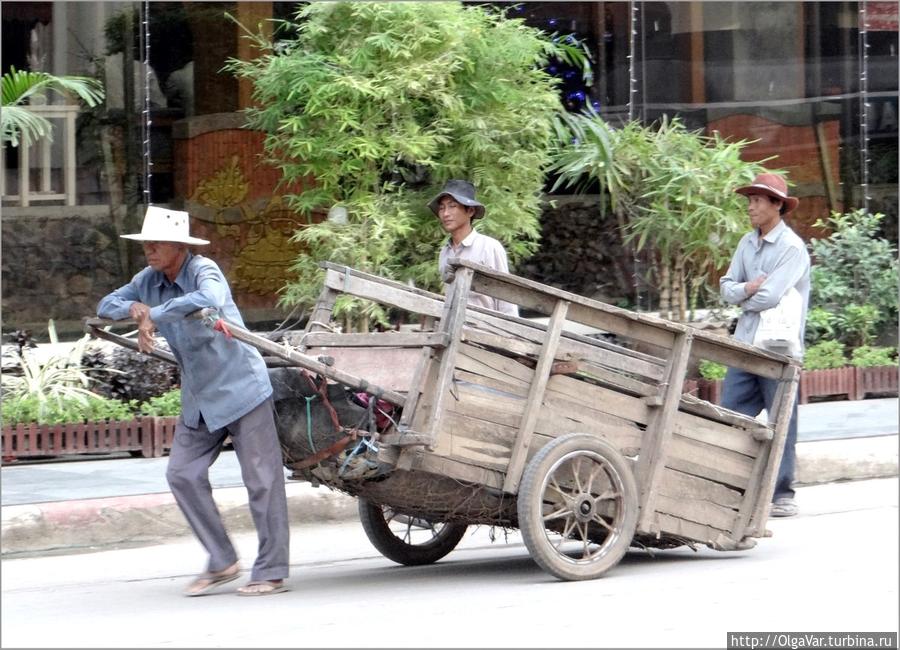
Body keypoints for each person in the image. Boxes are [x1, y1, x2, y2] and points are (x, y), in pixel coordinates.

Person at [97, 206, 290, 596]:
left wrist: (155, 315)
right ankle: (222, 560)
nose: (149, 249)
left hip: (242, 388)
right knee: (181, 474)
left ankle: (271, 570)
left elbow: (211, 298)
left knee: (262, 481)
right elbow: (105, 306)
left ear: (180, 247)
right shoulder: (147, 280)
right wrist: (135, 309)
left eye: (157, 243)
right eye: (146, 243)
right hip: (200, 396)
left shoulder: (204, 269)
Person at [720, 173, 810, 518]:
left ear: (777, 205)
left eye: (758, 200)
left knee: (780, 422)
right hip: (745, 346)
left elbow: (772, 296)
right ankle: (730, 485)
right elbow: (726, 286)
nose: (751, 206)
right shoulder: (747, 243)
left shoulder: (792, 248)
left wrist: (748, 292)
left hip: (779, 351)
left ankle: (782, 493)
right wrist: (746, 290)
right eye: (750, 200)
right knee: (730, 415)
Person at [427, 179, 519, 317]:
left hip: (485, 330)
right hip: (452, 329)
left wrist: (510, 333)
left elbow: (506, 299)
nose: (445, 213)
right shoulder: (445, 252)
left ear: (470, 211)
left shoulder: (489, 247)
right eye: (442, 208)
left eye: (452, 206)